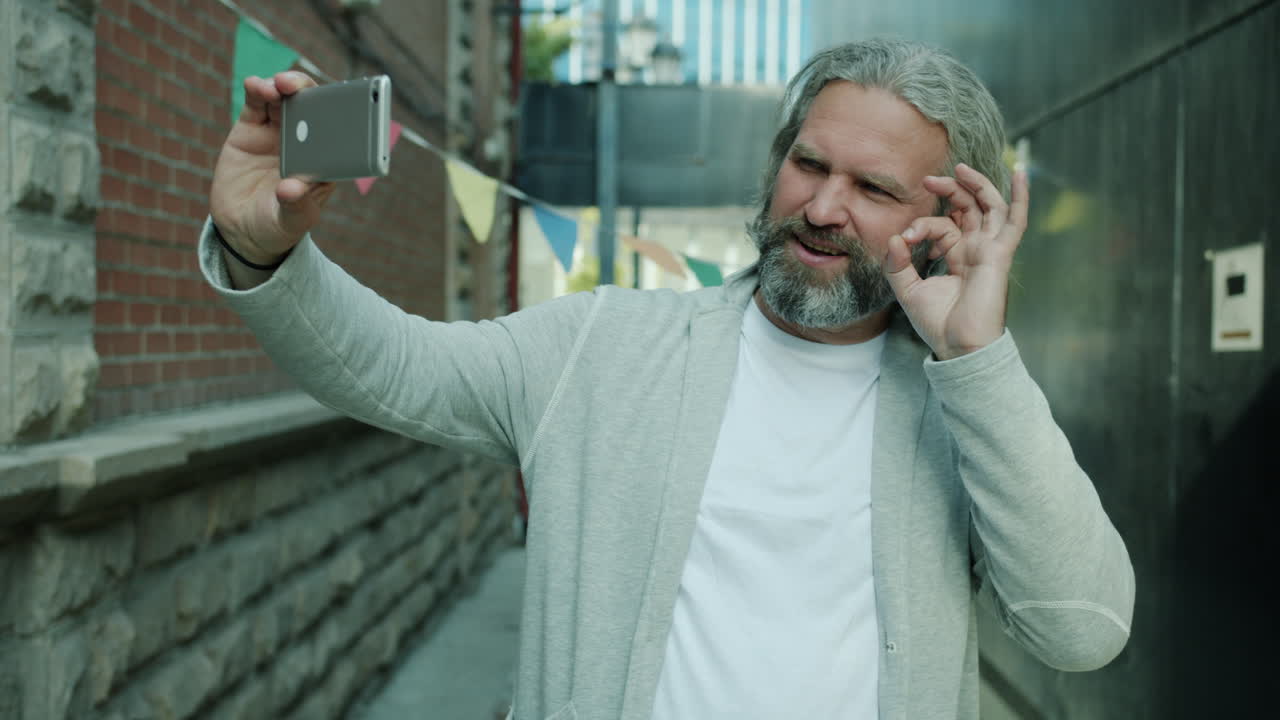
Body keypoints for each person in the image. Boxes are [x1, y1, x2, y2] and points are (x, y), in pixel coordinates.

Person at [203, 38, 1134, 720]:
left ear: (946, 217)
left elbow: (1083, 629)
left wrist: (977, 359)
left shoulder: (968, 407)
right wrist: (263, 251)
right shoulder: (602, 345)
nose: (820, 206)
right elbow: (395, 367)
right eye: (807, 164)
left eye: (874, 189)